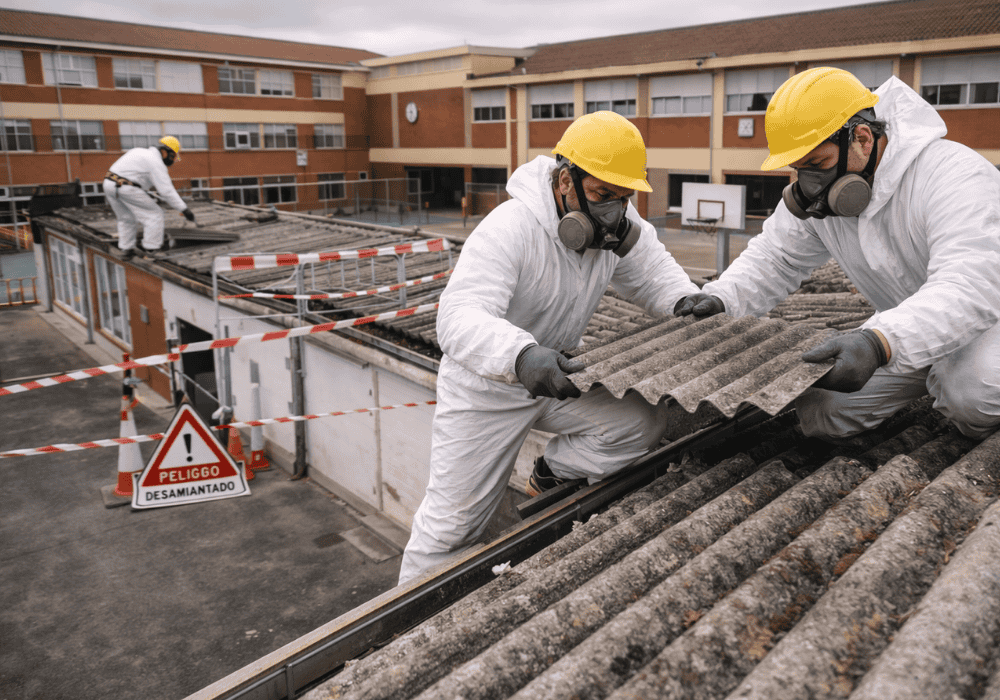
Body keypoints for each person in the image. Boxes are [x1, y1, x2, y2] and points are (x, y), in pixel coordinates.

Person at [398, 111, 701, 584]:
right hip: (489, 387)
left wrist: (686, 300)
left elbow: (652, 274)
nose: (614, 213)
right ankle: (401, 632)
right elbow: (457, 316)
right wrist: (520, 354)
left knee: (639, 425)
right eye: (602, 196)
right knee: (451, 527)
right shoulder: (510, 228)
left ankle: (550, 471)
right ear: (565, 181)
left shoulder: (615, 222)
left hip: (555, 375)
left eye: (624, 198)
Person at [677, 67, 1000, 441]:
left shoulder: (953, 175)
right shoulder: (823, 197)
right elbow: (775, 257)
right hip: (903, 325)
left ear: (862, 138)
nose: (809, 184)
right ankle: (932, 374)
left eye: (817, 165)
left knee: (973, 396)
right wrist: (723, 298)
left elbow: (970, 283)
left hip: (987, 318)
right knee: (824, 408)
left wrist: (879, 343)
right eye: (799, 169)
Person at [103, 135, 196, 260]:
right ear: (164, 152)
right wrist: (185, 210)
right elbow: (167, 191)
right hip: (126, 188)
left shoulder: (139, 151)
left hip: (109, 184)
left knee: (126, 218)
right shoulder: (155, 162)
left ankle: (126, 249)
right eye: (172, 156)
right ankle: (152, 249)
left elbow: (135, 177)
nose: (172, 160)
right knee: (154, 214)